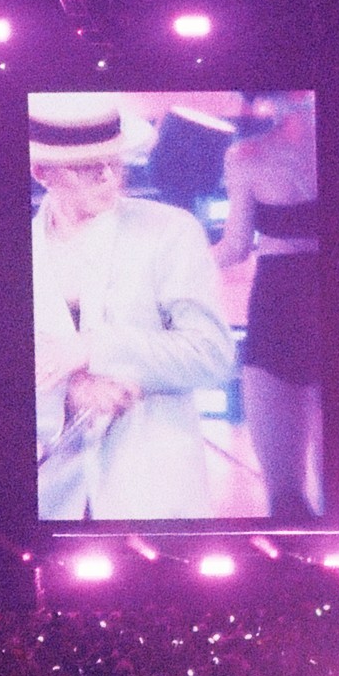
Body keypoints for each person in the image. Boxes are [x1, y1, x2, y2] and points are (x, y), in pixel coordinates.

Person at [31, 95, 240, 520]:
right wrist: (69, 392)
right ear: (43, 173)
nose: (108, 176)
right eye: (86, 167)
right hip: (49, 505)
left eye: (114, 160)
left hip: (154, 498)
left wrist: (94, 348)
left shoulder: (171, 232)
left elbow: (213, 356)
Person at [213, 91, 323, 518]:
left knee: (287, 493)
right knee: (336, 483)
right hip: (316, 298)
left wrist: (175, 262)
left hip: (280, 300)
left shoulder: (248, 156)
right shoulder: (248, 155)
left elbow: (235, 247)